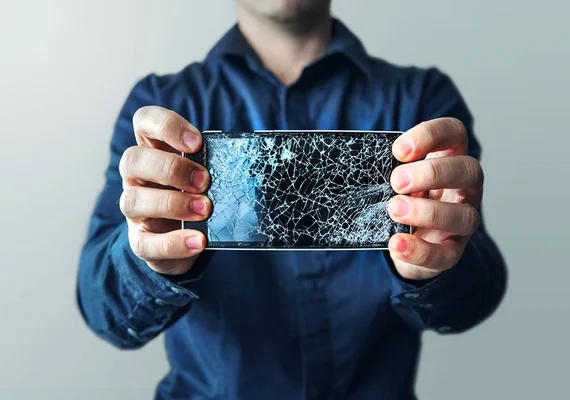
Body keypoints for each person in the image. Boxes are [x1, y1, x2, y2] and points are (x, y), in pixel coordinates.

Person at [76, 1, 507, 399]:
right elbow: (105, 312)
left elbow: (474, 298)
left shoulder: (422, 101)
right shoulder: (162, 108)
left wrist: (433, 269)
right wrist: (150, 260)